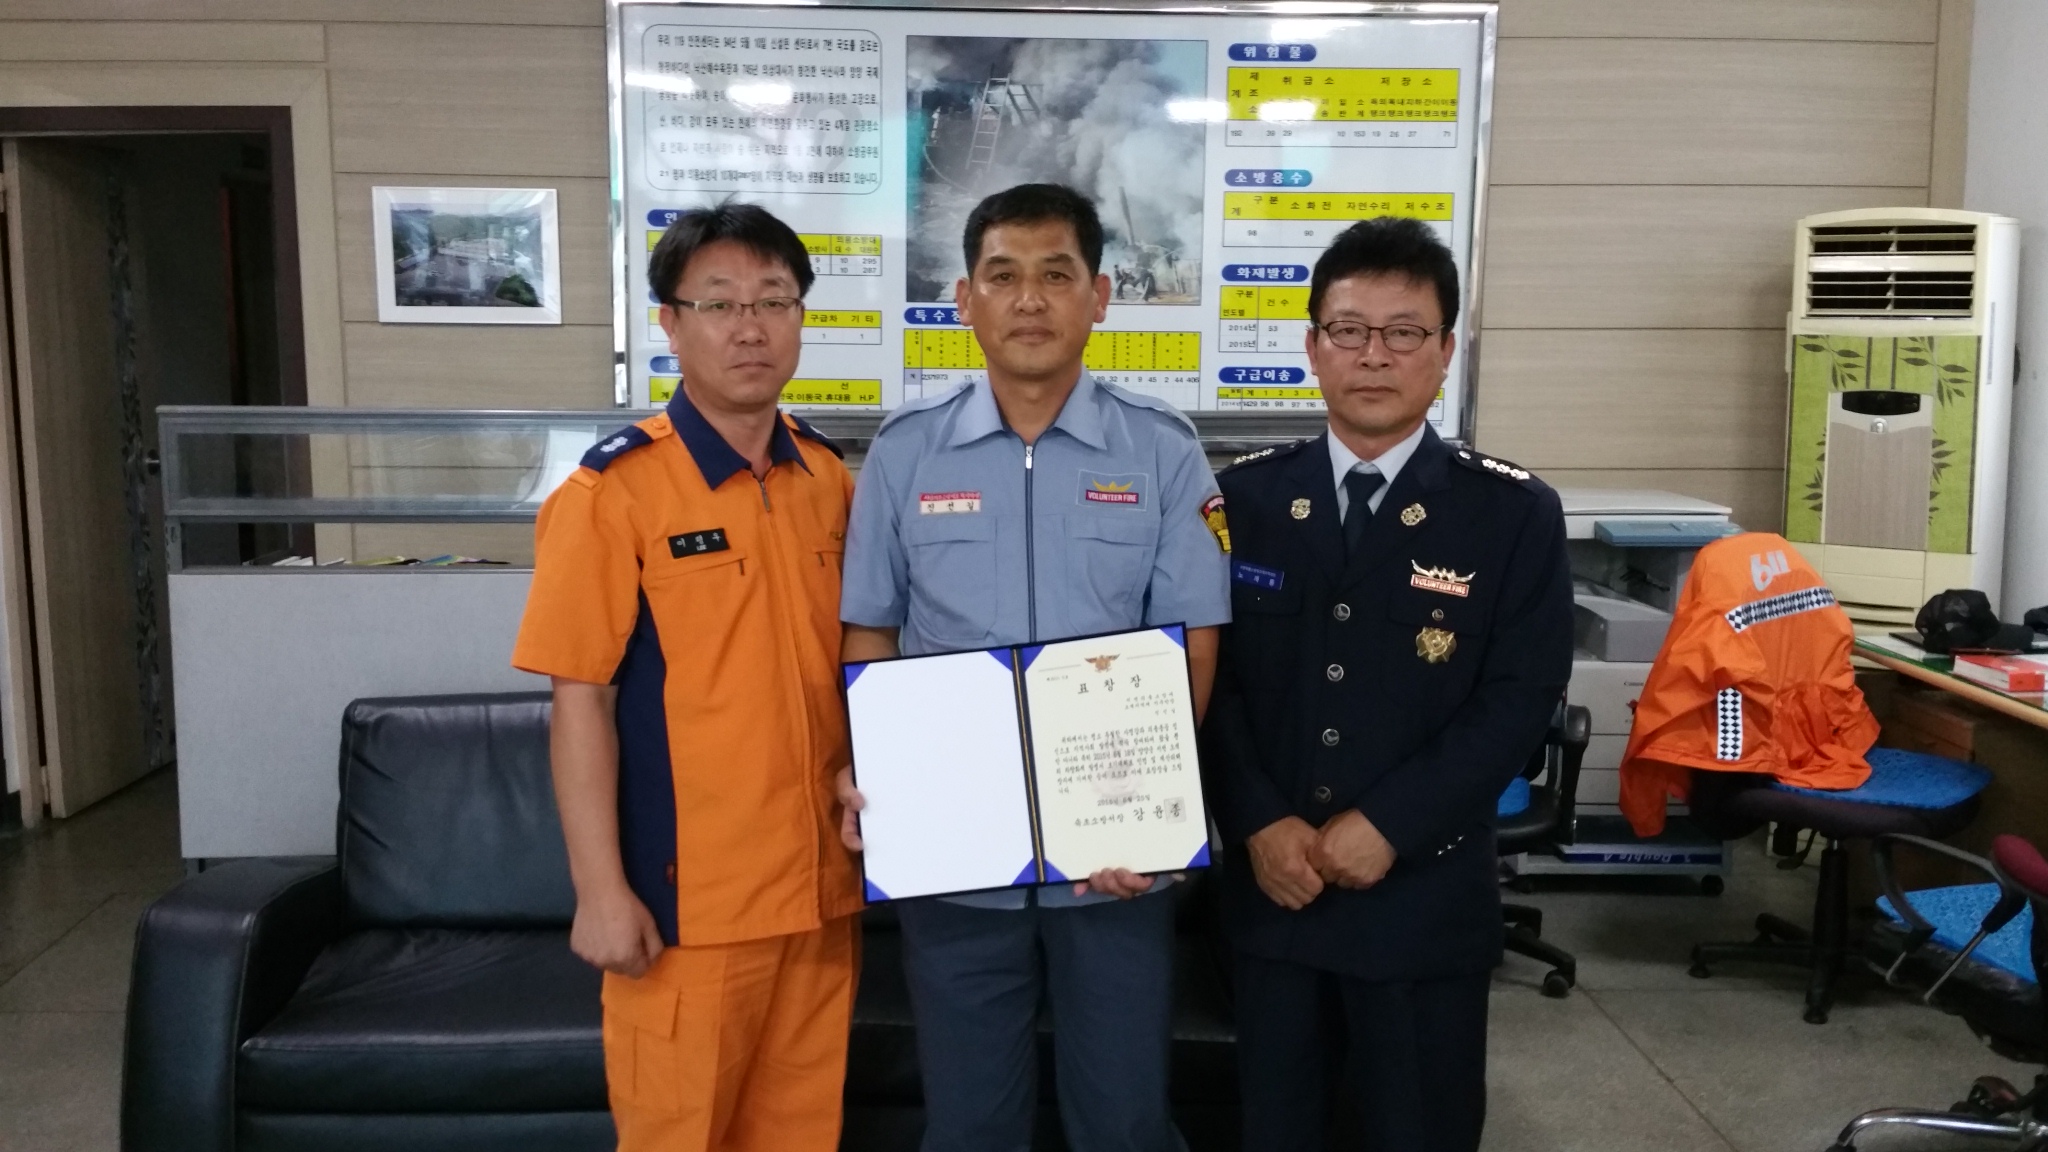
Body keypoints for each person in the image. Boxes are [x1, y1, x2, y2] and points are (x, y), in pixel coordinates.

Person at [836, 182, 1231, 1152]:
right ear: (962, 300)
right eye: (1001, 275)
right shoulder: (906, 454)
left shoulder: (1161, 451)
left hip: (1113, 866)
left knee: (1124, 1122)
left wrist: (1145, 814)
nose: (1027, 300)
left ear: (1099, 297)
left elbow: (1192, 642)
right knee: (969, 1123)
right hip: (954, 861)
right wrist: (879, 775)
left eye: (1055, 276)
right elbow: (870, 635)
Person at [1204, 216, 1574, 1152]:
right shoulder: (1244, 500)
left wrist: (1390, 825)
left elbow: (1519, 697)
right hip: (1276, 893)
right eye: (1349, 330)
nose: (1374, 355)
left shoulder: (1510, 513)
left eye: (1404, 332)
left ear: (1445, 351)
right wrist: (1258, 821)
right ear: (1312, 348)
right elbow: (1210, 680)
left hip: (1421, 900)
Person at [511, 202, 861, 1152]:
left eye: (774, 301)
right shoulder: (611, 495)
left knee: (801, 1138)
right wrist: (600, 891)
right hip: (689, 911)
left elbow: (858, 667)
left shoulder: (829, 481)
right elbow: (579, 700)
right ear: (670, 322)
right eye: (719, 303)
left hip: (822, 896)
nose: (750, 327)